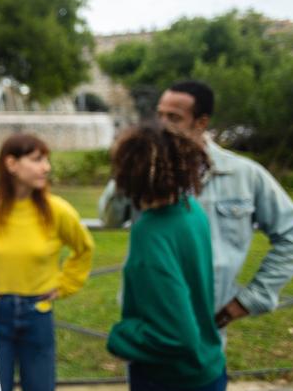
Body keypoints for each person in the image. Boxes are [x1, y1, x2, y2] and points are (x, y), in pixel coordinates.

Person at [99, 80, 293, 332]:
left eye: (174, 118)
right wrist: (128, 172)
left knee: (204, 367)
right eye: (159, 115)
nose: (162, 125)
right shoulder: (144, 172)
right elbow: (109, 219)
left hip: (209, 321)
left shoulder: (244, 175)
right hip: (148, 320)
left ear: (201, 122)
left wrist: (249, 300)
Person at [0, 133, 94, 391]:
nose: (47, 167)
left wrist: (66, 284)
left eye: (47, 159)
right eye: (37, 159)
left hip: (38, 313)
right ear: (11, 164)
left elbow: (84, 248)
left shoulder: (58, 210)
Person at [106, 122, 226, 391]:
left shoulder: (150, 233)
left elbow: (176, 337)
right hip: (209, 369)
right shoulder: (190, 209)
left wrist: (119, 337)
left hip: (170, 379)